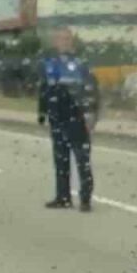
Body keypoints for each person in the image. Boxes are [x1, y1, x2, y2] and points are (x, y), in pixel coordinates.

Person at [37, 26, 100, 212]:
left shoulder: (81, 64)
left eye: (67, 38)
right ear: (55, 42)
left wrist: (91, 115)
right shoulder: (49, 64)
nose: (64, 42)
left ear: (71, 41)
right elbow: (44, 89)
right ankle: (63, 197)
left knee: (82, 160)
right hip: (57, 117)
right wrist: (42, 112)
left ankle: (85, 199)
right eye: (60, 38)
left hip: (77, 118)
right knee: (60, 159)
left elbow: (91, 90)